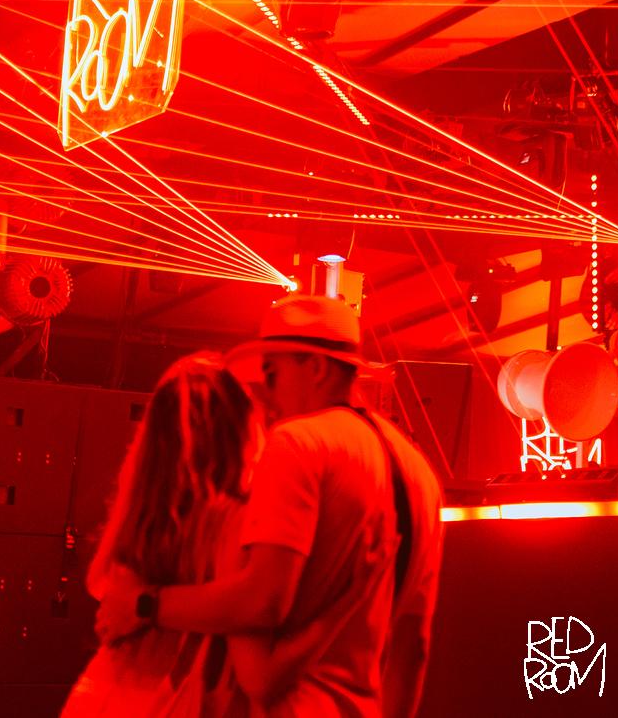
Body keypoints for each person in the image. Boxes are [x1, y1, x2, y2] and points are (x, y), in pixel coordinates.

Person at [96, 295, 444, 718]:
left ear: (316, 368)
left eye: (272, 373)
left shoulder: (299, 443)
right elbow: (414, 646)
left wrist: (146, 604)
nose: (268, 394)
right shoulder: (420, 474)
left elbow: (262, 602)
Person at [65, 351, 348, 716]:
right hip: (180, 703)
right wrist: (336, 613)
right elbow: (258, 677)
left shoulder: (139, 519)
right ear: (241, 432)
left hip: (104, 699)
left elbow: (99, 586)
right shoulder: (237, 524)